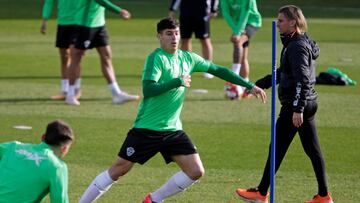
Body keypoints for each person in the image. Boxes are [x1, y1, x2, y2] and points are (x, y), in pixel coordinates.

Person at [78, 17, 266, 203]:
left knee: (195, 171)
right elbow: (148, 90)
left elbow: (218, 70)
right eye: (169, 34)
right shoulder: (156, 58)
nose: (174, 38)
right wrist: (177, 81)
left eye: (176, 33)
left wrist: (248, 85)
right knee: (118, 170)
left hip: (173, 130)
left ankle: (153, 200)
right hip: (147, 129)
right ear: (159, 36)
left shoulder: (188, 58)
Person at [235, 5, 334, 203]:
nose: (277, 24)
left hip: (296, 106)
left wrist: (297, 109)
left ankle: (261, 193)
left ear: (292, 22)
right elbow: (284, 72)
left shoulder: (296, 46)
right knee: (312, 151)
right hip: (308, 104)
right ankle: (324, 196)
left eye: (281, 20)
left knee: (277, 148)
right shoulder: (296, 42)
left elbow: (302, 80)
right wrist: (259, 84)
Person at [65, 0, 140, 105]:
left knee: (106, 56)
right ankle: (70, 95)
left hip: (99, 24)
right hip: (84, 24)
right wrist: (119, 11)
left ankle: (116, 94)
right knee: (77, 58)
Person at [0, 120, 74, 203]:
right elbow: (59, 201)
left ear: (43, 137)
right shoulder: (57, 167)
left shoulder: (12, 147)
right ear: (64, 149)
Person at [40, 0, 82, 100]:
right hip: (63, 23)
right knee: (64, 57)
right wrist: (44, 21)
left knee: (75, 56)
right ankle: (65, 90)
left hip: (78, 22)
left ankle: (77, 89)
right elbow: (49, 2)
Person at [220, 0, 262, 98]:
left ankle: (234, 76)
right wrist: (236, 30)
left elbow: (245, 12)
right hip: (238, 24)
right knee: (243, 58)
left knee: (238, 42)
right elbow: (226, 13)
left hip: (252, 22)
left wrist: (238, 32)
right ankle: (246, 89)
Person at [169, 0, 219, 78]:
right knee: (185, 39)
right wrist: (172, 9)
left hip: (202, 11)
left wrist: (213, 9)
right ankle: (186, 67)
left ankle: (209, 68)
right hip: (186, 11)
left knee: (205, 39)